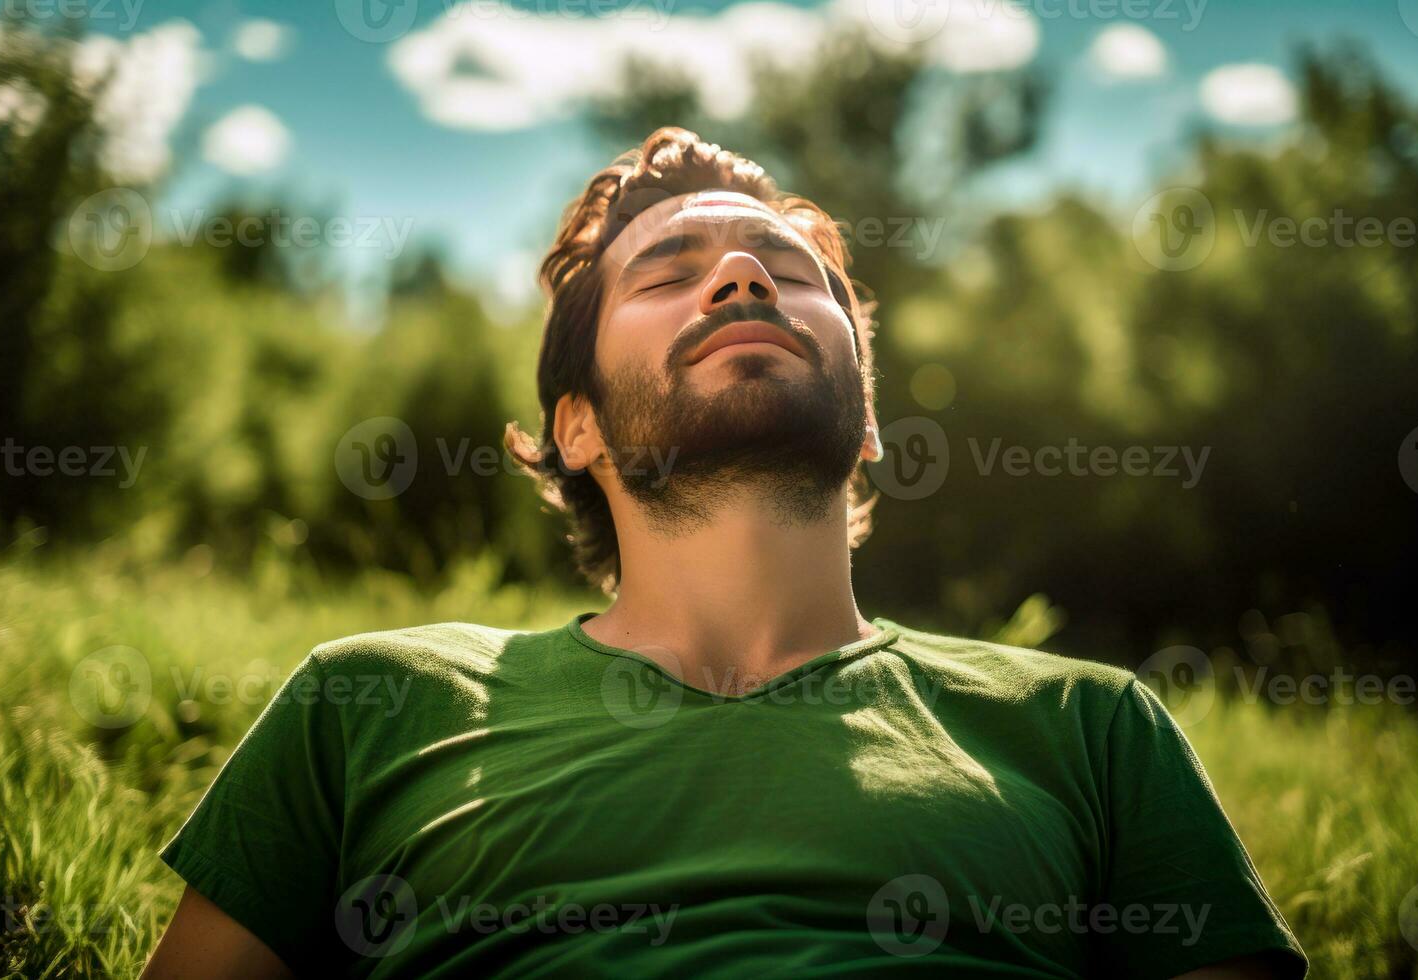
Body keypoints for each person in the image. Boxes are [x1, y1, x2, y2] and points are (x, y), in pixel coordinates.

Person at [142, 127, 1307, 979]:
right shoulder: (368, 703)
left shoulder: (1091, 728)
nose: (743, 278)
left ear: (864, 420)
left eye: (789, 276)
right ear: (577, 424)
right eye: (666, 274)